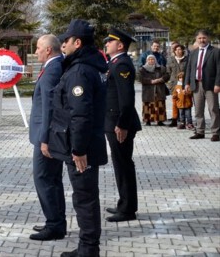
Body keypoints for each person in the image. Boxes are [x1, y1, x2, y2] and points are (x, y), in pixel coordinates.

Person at [49, 19, 108, 257]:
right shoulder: (85, 66)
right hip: (82, 144)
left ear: (78, 42)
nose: (63, 45)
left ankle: (88, 249)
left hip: (82, 148)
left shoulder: (80, 71)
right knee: (85, 197)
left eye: (66, 41)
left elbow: (80, 114)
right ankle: (87, 246)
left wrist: (78, 150)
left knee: (84, 198)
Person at [28, 34, 66, 241]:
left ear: (48, 50)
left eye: (38, 48)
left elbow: (50, 107)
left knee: (44, 178)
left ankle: (54, 225)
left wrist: (44, 139)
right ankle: (56, 222)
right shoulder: (54, 66)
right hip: (48, 134)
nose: (36, 52)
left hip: (48, 136)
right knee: (52, 179)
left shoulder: (53, 69)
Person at [103, 28, 141, 223]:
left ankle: (127, 210)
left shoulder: (122, 64)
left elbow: (126, 99)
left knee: (124, 165)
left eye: (110, 41)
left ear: (120, 45)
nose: (106, 43)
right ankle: (124, 203)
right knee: (120, 164)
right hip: (114, 122)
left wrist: (122, 124)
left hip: (119, 123)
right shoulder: (114, 63)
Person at [184, 29, 220, 141]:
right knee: (198, 110)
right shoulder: (193, 52)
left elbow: (219, 69)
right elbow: (189, 69)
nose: (202, 40)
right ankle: (200, 131)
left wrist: (218, 84)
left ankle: (216, 132)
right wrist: (187, 83)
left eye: (204, 38)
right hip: (196, 85)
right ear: (196, 39)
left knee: (213, 109)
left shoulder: (215, 51)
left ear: (208, 38)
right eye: (199, 38)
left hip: (210, 85)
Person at [139, 55, 170, 126]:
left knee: (159, 105)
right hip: (148, 90)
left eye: (152, 59)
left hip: (159, 89)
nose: (151, 61)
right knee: (148, 105)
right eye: (149, 59)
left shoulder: (161, 68)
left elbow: (167, 76)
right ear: (147, 61)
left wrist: (160, 79)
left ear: (155, 60)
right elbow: (140, 78)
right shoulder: (142, 69)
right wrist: (151, 81)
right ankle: (148, 120)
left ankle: (160, 121)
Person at [166, 44, 189, 126]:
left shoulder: (187, 60)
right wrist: (168, 82)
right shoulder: (170, 60)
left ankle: (186, 120)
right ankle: (175, 119)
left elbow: (190, 71)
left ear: (183, 50)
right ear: (174, 51)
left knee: (185, 102)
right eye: (176, 50)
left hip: (184, 84)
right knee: (175, 102)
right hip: (174, 84)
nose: (178, 51)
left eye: (180, 49)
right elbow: (168, 72)